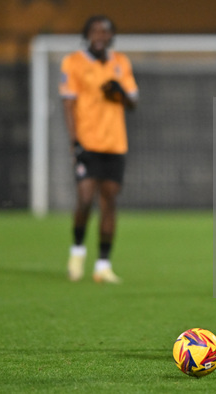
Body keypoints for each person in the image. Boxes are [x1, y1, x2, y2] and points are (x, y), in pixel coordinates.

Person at [59, 15, 139, 283]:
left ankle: (103, 265)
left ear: (111, 35)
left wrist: (120, 92)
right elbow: (68, 104)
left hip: (115, 144)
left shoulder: (120, 62)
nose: (100, 35)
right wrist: (74, 141)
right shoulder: (73, 62)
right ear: (87, 34)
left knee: (109, 203)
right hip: (88, 143)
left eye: (105, 31)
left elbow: (132, 102)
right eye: (95, 30)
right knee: (84, 199)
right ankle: (77, 251)